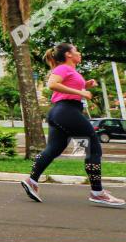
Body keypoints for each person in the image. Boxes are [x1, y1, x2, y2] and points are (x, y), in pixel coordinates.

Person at [20, 43, 124, 206]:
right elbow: (52, 84)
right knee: (93, 147)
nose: (79, 53)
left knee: (54, 149)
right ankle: (97, 192)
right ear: (68, 54)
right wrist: (81, 92)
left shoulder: (71, 71)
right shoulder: (63, 68)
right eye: (76, 50)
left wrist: (86, 84)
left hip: (60, 112)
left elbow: (65, 87)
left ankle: (31, 180)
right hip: (66, 111)